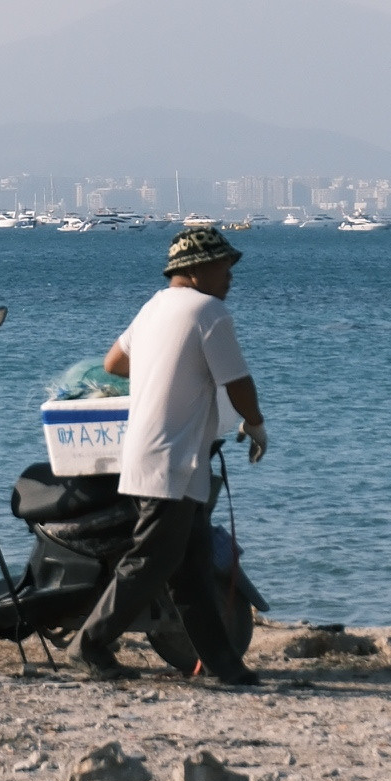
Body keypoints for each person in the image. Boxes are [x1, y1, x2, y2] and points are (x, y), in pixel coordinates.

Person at [70, 220, 269, 688]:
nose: (231, 276)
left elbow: (113, 363)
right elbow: (237, 382)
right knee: (152, 562)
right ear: (198, 270)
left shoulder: (154, 308)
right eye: (225, 266)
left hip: (151, 454)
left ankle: (225, 664)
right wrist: (256, 426)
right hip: (173, 463)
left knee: (193, 572)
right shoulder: (209, 312)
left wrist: (164, 364)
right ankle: (88, 645)